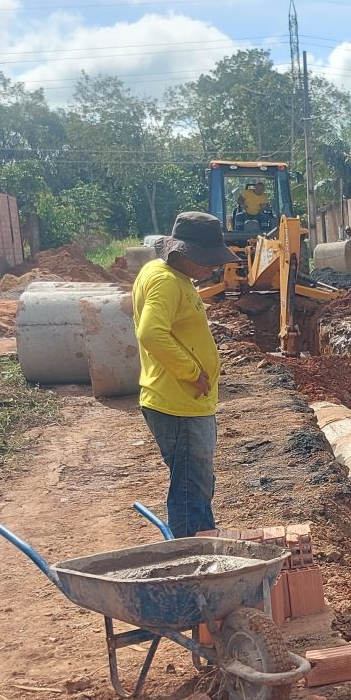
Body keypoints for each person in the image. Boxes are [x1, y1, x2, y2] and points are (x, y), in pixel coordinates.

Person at [132, 211, 237, 538]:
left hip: (182, 404)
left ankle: (204, 542)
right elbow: (150, 333)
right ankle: (194, 561)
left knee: (195, 483)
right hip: (178, 405)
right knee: (191, 490)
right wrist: (192, 372)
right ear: (184, 253)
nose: (213, 267)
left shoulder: (168, 275)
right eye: (208, 260)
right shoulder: (166, 281)